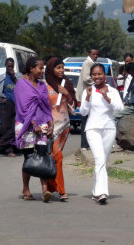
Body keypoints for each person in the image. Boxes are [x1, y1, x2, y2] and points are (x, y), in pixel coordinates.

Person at [80, 63, 124, 204]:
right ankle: (102, 192)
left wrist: (107, 98)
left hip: (109, 128)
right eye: (94, 74)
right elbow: (83, 112)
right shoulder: (88, 91)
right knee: (99, 159)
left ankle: (95, 191)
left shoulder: (112, 91)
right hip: (93, 129)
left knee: (103, 161)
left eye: (99, 74)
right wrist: (87, 97)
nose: (96, 77)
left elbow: (120, 109)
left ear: (104, 75)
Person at [14, 57, 54, 202]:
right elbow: (21, 108)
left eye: (43, 68)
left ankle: (45, 191)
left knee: (42, 156)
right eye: (40, 68)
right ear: (31, 69)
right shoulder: (21, 85)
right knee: (29, 158)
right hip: (25, 126)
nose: (42, 71)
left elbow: (46, 107)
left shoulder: (42, 86)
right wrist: (33, 124)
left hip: (42, 123)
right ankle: (26, 189)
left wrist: (51, 124)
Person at [45, 57, 76, 201]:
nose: (61, 70)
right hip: (50, 127)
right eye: (58, 68)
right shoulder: (44, 85)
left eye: (63, 68)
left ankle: (51, 188)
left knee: (55, 158)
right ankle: (61, 191)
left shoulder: (66, 83)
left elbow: (74, 106)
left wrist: (67, 94)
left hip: (64, 126)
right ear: (51, 69)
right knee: (57, 156)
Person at [0, 58, 21, 157]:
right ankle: (9, 150)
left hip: (17, 105)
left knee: (15, 128)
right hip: (6, 104)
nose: (10, 68)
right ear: (5, 66)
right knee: (6, 128)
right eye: (9, 66)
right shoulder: (1, 78)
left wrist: (14, 77)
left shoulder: (18, 77)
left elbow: (22, 88)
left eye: (12, 66)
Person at [76, 48, 98, 151]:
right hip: (86, 95)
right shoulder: (88, 63)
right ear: (89, 54)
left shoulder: (91, 63)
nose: (95, 56)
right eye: (93, 54)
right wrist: (97, 82)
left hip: (88, 94)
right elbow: (86, 78)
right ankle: (84, 144)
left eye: (97, 54)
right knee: (85, 119)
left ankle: (88, 143)